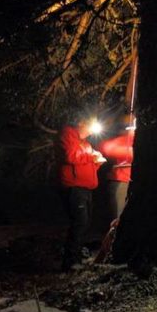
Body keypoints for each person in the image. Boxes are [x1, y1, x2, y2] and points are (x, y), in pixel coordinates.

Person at [56, 116, 106, 270]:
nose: (91, 132)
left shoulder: (86, 144)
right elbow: (70, 156)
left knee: (85, 223)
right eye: (90, 127)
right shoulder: (68, 134)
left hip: (85, 187)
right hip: (74, 187)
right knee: (79, 222)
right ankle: (70, 261)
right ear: (81, 123)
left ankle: (76, 257)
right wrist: (91, 157)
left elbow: (87, 165)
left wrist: (96, 162)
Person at [97, 117, 135, 222]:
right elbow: (107, 148)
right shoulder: (121, 141)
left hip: (132, 182)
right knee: (118, 216)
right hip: (121, 181)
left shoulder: (137, 141)